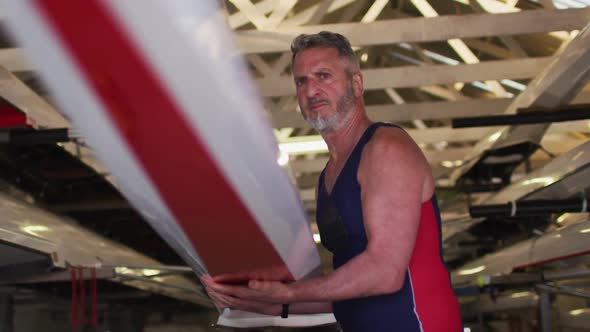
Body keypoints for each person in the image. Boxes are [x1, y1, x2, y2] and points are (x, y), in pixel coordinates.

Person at [202, 31, 462, 331]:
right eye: (302, 81)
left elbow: (385, 273)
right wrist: (255, 301)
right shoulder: (329, 176)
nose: (311, 90)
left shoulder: (385, 148)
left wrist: (288, 293)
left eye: (323, 76)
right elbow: (344, 292)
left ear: (357, 83)